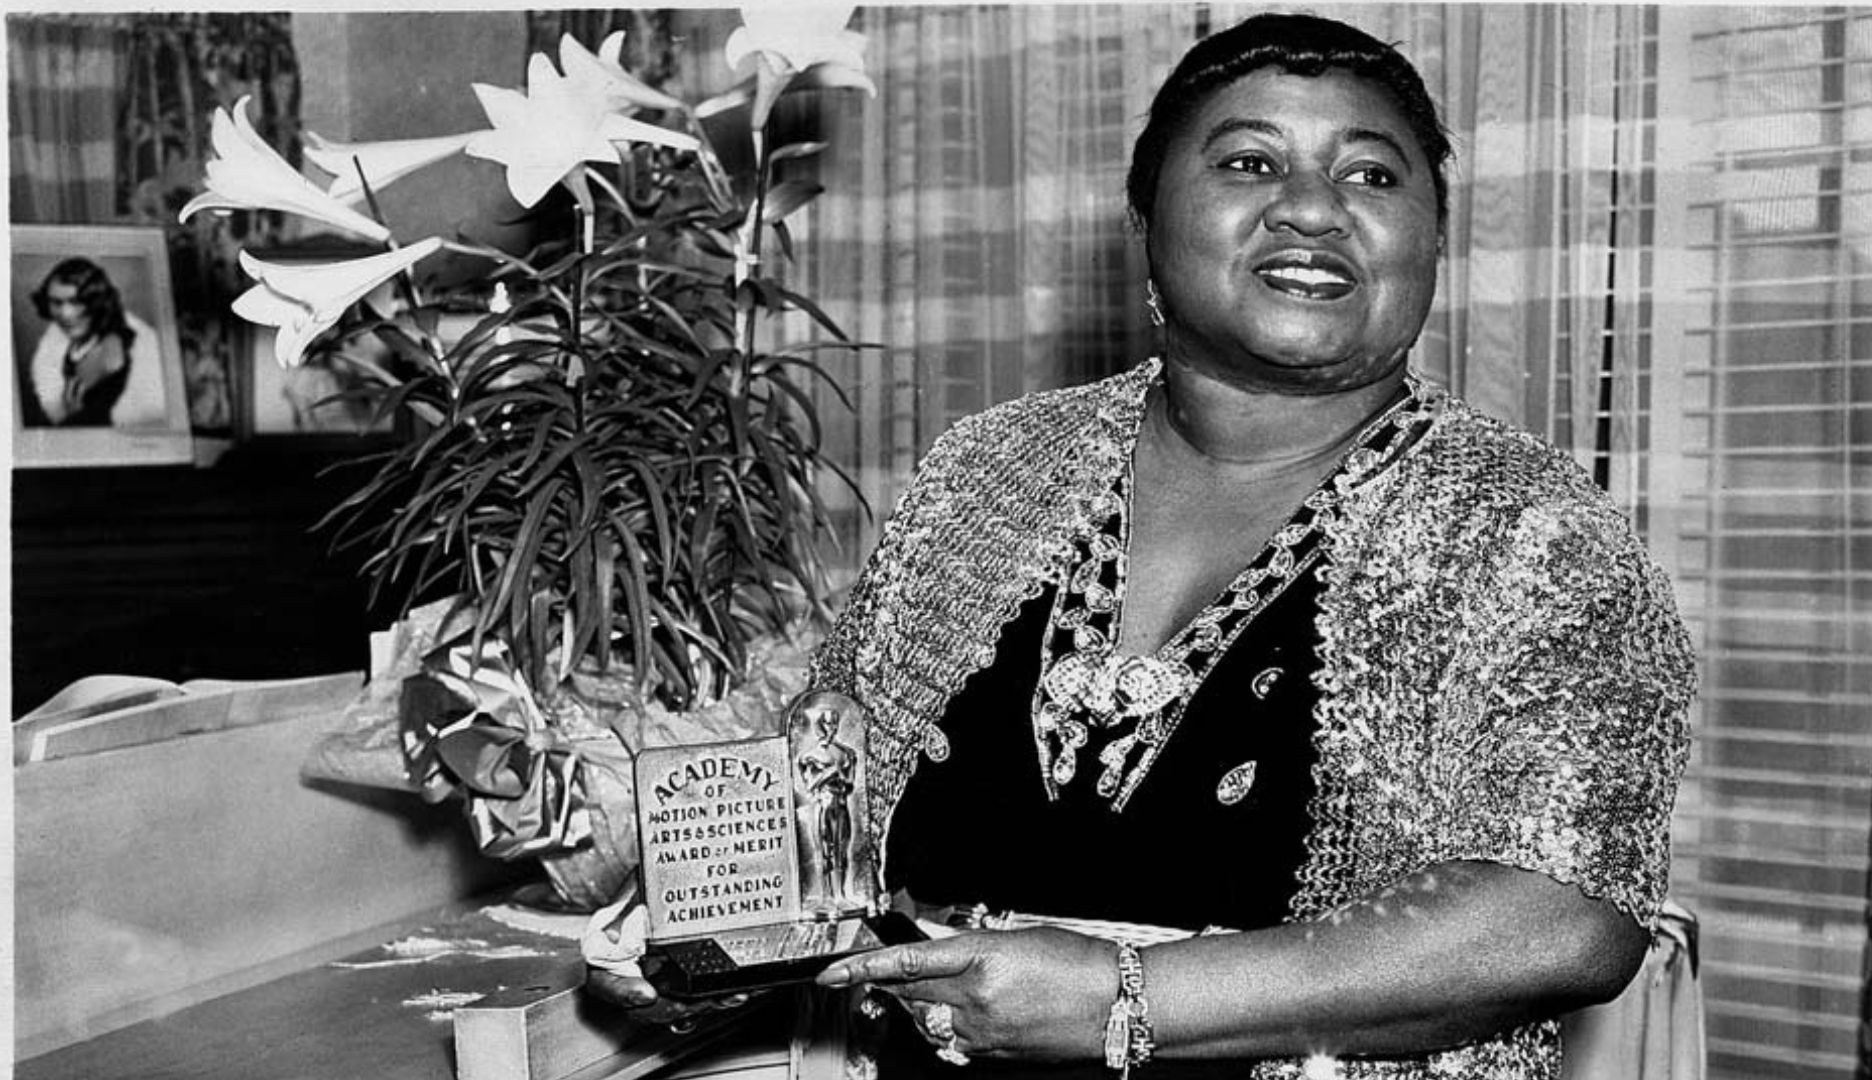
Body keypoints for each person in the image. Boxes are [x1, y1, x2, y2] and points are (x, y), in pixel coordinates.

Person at [583, 14, 1694, 1080]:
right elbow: (831, 788)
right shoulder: (989, 471)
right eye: (1249, 165)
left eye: (1373, 175)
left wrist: (1130, 998)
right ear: (1146, 228)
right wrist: (706, 935)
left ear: (1431, 244)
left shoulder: (1531, 530)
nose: (1312, 209)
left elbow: (1564, 917)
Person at [25, 257, 167, 428]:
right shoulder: (72, 343)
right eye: (56, 302)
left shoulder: (113, 346)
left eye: (76, 302)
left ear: (97, 301)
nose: (65, 313)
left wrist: (74, 416)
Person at [795, 697, 860, 910]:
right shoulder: (810, 756)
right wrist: (829, 773)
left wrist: (839, 774)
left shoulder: (847, 753)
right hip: (822, 805)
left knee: (843, 851)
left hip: (841, 804)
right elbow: (809, 785)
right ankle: (826, 897)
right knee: (824, 852)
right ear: (820, 725)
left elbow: (850, 784)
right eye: (827, 723)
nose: (831, 728)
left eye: (835, 723)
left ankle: (841, 895)